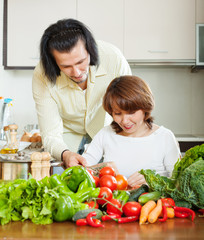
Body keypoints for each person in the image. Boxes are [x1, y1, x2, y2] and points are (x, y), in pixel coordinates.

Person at [32, 18, 131, 172]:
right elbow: (50, 132)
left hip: (106, 132)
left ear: (90, 49)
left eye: (81, 62)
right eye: (66, 66)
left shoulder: (113, 58)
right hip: (65, 138)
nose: (77, 73)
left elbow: (130, 107)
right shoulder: (42, 74)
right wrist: (65, 154)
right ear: (53, 62)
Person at [82, 75, 181, 188]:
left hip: (155, 204)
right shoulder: (105, 134)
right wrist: (101, 167)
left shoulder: (164, 137)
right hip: (114, 204)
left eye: (131, 112)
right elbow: (80, 170)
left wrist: (153, 181)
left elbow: (178, 182)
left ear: (145, 107)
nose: (124, 121)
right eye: (118, 113)